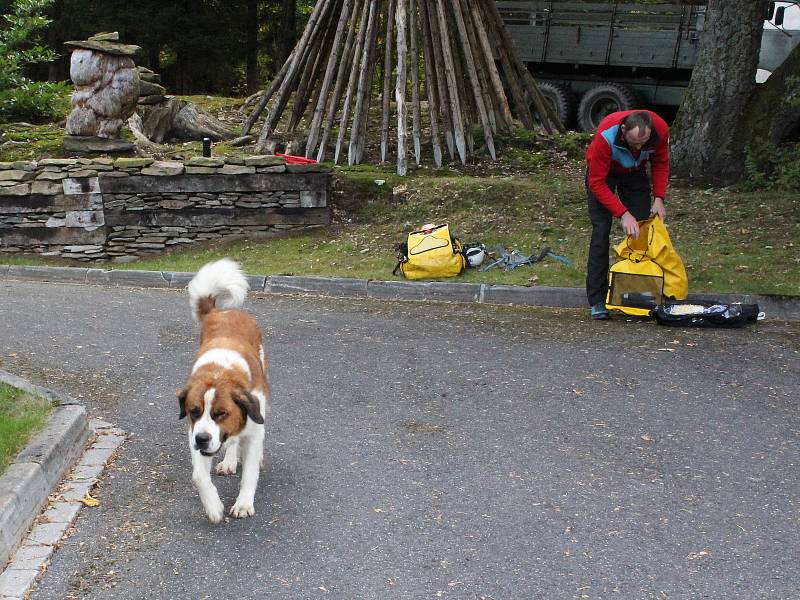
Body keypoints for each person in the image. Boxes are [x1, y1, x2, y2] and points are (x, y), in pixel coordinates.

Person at [584, 109, 670, 320]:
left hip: (634, 173)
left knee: (641, 231)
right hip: (604, 175)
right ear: (623, 130)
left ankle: (637, 294)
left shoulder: (660, 130)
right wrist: (622, 213)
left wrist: (659, 197)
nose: (638, 147)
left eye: (643, 144)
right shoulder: (606, 134)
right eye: (633, 143)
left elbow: (660, 162)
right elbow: (596, 182)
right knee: (601, 232)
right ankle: (597, 300)